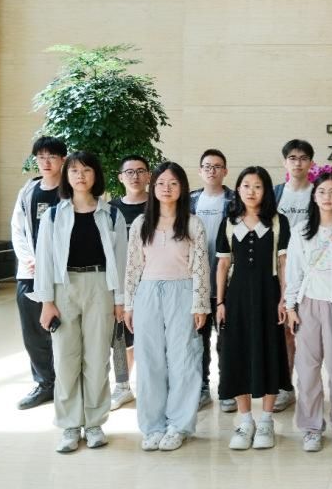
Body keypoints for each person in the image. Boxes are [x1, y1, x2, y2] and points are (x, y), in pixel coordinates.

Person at [32, 151, 127, 452]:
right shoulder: (53, 215)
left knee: (97, 359)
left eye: (86, 170)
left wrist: (120, 300)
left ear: (96, 175)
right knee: (65, 359)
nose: (80, 176)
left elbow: (122, 261)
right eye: (74, 171)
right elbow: (44, 260)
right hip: (64, 288)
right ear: (66, 176)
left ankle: (95, 423)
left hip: (101, 286)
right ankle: (70, 425)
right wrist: (46, 301)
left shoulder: (112, 214)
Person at [124, 162, 210, 452]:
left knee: (184, 359)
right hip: (147, 292)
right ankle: (153, 427)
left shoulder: (193, 224)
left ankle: (179, 426)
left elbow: (201, 267)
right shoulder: (141, 223)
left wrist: (200, 304)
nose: (166, 188)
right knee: (149, 360)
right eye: (161, 183)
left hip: (183, 292)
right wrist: (129, 304)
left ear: (182, 188)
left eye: (173, 183)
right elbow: (133, 267)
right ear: (153, 187)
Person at [215, 167, 292, 450]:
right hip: (236, 298)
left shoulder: (278, 221)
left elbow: (283, 264)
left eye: (257, 186)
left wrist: (284, 299)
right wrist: (220, 302)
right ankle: (245, 421)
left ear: (266, 191)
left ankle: (266, 421)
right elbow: (223, 264)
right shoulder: (229, 221)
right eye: (246, 185)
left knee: (270, 352)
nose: (251, 191)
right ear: (237, 189)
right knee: (236, 355)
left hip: (268, 296)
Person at [285, 172, 332, 452]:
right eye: (322, 192)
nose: (327, 197)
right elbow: (293, 270)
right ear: (314, 197)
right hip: (308, 304)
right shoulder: (301, 230)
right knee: (307, 370)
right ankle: (311, 428)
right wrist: (290, 306)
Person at [10, 136, 67, 410]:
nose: (46, 162)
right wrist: (29, 259)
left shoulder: (69, 191)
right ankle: (45, 383)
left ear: (62, 160)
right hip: (30, 272)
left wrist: (50, 262)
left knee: (63, 330)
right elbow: (17, 228)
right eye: (41, 157)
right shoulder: (28, 190)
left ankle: (66, 383)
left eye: (51, 156)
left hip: (61, 274)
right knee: (33, 332)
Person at [272, 138, 317, 412]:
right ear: (284, 162)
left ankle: (310, 390)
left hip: (313, 272)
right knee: (285, 332)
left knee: (311, 334)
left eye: (303, 158)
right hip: (280, 269)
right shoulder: (276, 193)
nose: (297, 163)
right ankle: (285, 387)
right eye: (292, 158)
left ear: (310, 162)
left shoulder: (318, 192)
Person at [189, 148, 234, 411]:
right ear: (200, 171)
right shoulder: (190, 200)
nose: (212, 170)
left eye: (217, 166)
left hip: (225, 281)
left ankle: (227, 388)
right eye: (207, 166)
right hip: (196, 282)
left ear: (225, 171)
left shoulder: (234, 200)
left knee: (226, 340)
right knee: (199, 339)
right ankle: (202, 387)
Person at [108, 155, 150, 411]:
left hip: (152, 282)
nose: (135, 176)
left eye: (140, 171)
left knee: (150, 337)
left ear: (149, 176)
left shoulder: (157, 206)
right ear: (120, 177)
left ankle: (151, 385)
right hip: (120, 284)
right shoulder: (110, 209)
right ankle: (122, 386)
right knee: (120, 338)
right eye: (129, 172)